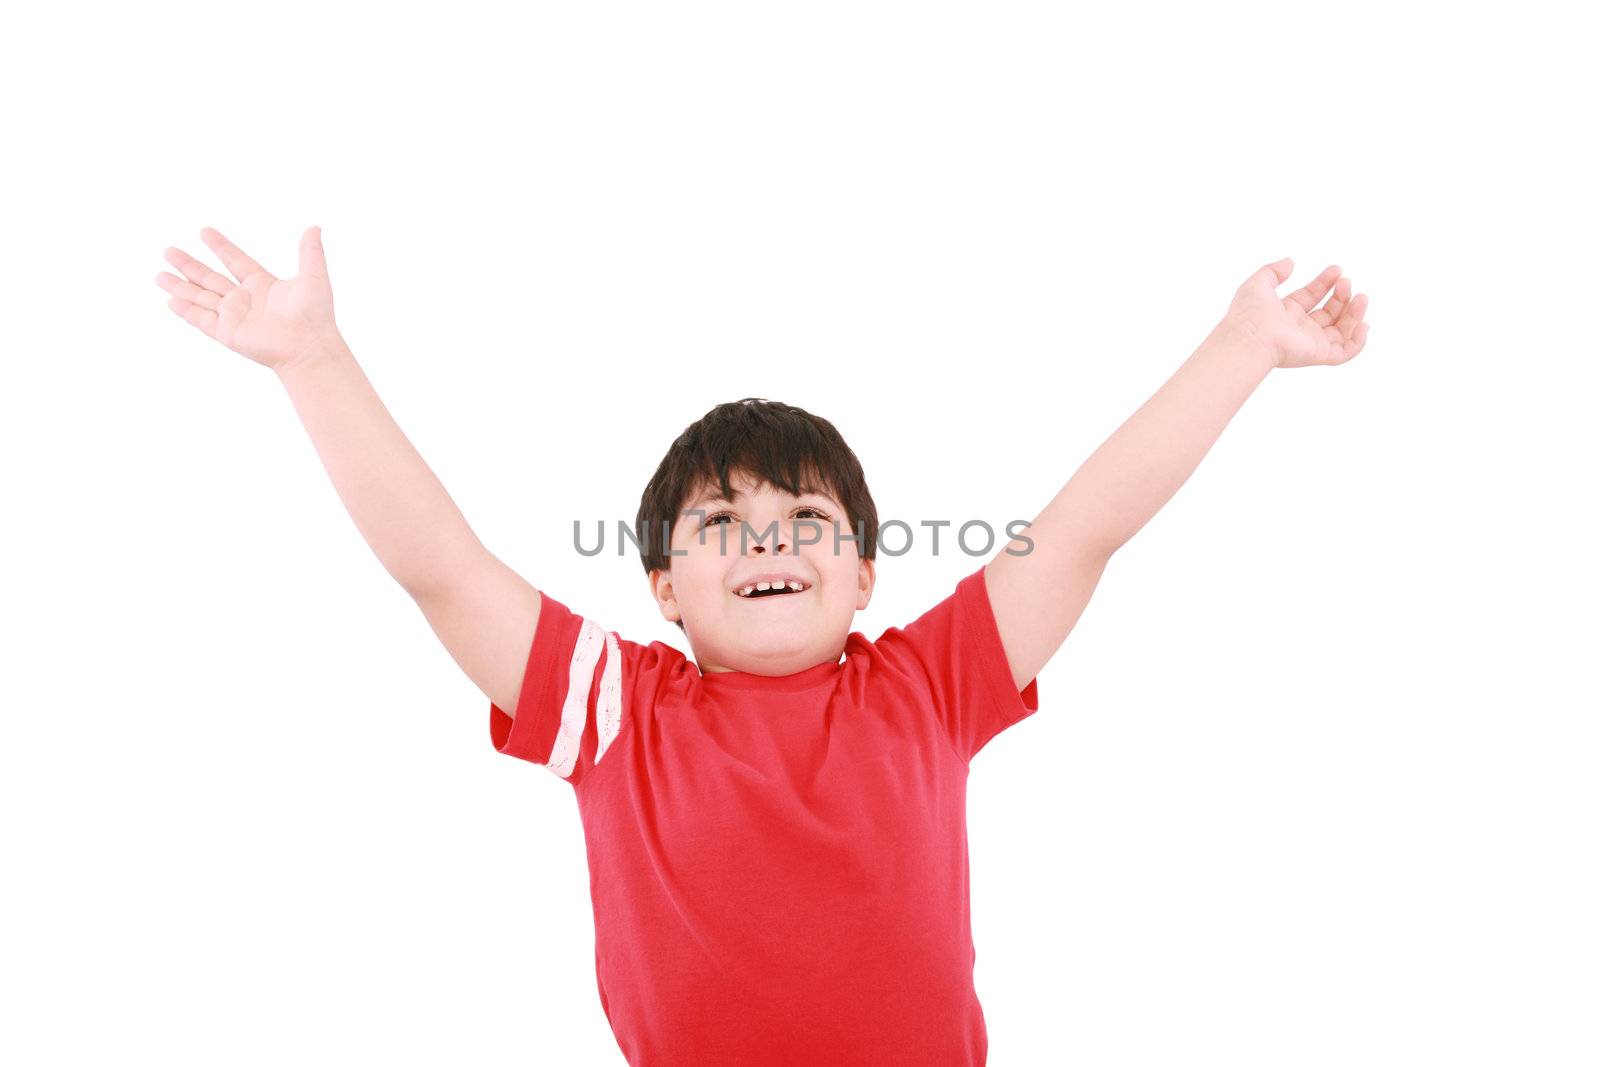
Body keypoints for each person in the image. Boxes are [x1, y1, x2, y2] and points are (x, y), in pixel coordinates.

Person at [155, 226, 1371, 1065]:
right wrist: (312, 359)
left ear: (863, 570)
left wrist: (1242, 347)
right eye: (720, 524)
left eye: (803, 520)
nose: (764, 541)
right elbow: (441, 565)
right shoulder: (615, 703)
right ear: (663, 587)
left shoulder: (927, 683)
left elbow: (1087, 527)